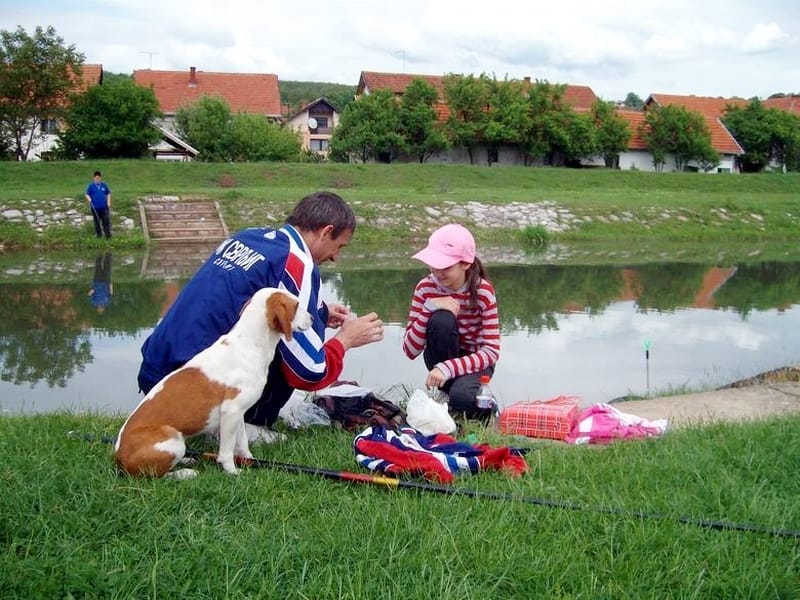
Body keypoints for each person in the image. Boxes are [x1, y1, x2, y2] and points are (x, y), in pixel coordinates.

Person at [137, 191, 385, 442]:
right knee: (283, 342)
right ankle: (241, 424)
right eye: (339, 246)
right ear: (325, 231)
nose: (335, 257)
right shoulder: (297, 261)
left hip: (157, 378)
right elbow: (309, 373)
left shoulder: (248, 237)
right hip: (193, 396)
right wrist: (346, 340)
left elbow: (236, 300)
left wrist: (320, 312)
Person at [402, 223, 500, 420]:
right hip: (440, 356)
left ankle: (470, 399)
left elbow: (491, 351)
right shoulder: (425, 288)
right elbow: (410, 350)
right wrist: (429, 308)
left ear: (465, 264)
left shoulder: (483, 291)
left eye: (445, 267)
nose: (437, 273)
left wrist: (449, 368)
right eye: (433, 265)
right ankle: (451, 393)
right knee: (441, 319)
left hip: (475, 361)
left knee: (462, 398)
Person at [85, 170, 112, 239]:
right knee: (97, 221)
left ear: (100, 178)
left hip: (104, 207)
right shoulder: (91, 186)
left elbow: (108, 193)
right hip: (95, 207)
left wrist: (108, 202)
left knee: (106, 221)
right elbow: (87, 194)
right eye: (96, 178)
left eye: (99, 178)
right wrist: (89, 199)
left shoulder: (104, 185)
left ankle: (108, 235)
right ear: (94, 178)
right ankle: (99, 235)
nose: (98, 179)